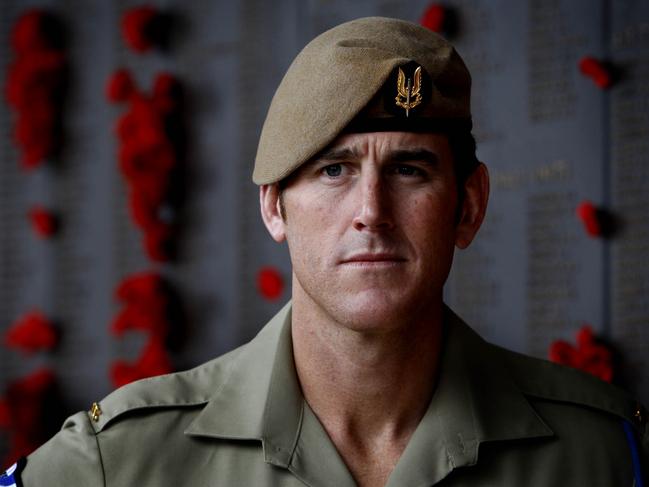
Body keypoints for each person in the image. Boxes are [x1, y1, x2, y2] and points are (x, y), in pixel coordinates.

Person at [2, 16, 647, 487]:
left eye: (411, 170)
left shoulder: (610, 455)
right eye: (334, 171)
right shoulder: (119, 465)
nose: (371, 211)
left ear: (469, 206)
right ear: (274, 207)